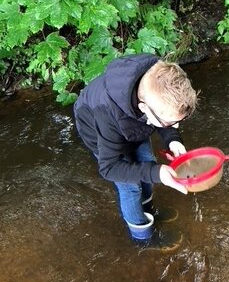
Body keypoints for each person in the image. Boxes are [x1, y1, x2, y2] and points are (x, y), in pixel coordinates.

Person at [74, 53, 198, 250]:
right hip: (100, 133)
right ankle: (142, 237)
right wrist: (156, 173)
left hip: (132, 124)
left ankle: (147, 210)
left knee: (147, 159)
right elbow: (109, 168)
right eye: (169, 123)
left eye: (179, 121)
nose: (175, 126)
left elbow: (164, 118)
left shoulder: (156, 77)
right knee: (130, 186)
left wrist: (172, 140)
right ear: (144, 108)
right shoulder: (105, 112)